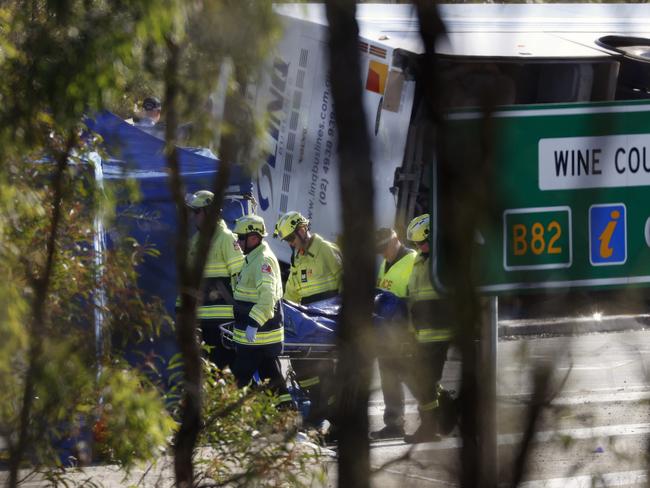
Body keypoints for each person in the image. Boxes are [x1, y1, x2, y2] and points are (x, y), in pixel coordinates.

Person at [274, 211, 342, 427]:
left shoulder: (327, 251)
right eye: (287, 242)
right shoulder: (298, 259)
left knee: (326, 373)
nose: (291, 245)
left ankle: (328, 417)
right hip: (310, 326)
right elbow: (292, 295)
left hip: (328, 323)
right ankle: (319, 406)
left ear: (302, 230)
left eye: (291, 239)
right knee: (301, 365)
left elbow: (346, 283)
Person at [231, 214, 292, 406]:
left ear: (254, 238)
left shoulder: (263, 261)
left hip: (259, 337)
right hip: (257, 337)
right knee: (271, 377)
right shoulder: (253, 258)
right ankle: (287, 411)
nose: (238, 241)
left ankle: (228, 420)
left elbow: (267, 299)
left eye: (241, 237)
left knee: (239, 379)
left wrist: (253, 324)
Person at [403, 213, 453, 443]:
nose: (418, 247)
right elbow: (414, 296)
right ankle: (447, 411)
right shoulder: (420, 260)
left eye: (421, 242)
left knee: (425, 380)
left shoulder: (442, 261)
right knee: (421, 379)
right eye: (415, 244)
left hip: (438, 332)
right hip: (422, 333)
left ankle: (430, 427)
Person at [184, 190, 244, 370]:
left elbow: (241, 278)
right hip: (202, 323)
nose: (194, 217)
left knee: (228, 373)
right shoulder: (194, 243)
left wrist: (243, 315)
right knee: (208, 374)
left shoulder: (227, 239)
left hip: (225, 324)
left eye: (197, 211)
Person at [369, 228, 417, 440]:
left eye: (384, 248)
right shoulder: (385, 264)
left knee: (414, 378)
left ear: (396, 240)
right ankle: (394, 425)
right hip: (387, 333)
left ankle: (441, 415)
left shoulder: (412, 261)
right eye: (379, 250)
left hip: (405, 331)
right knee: (389, 379)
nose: (382, 253)